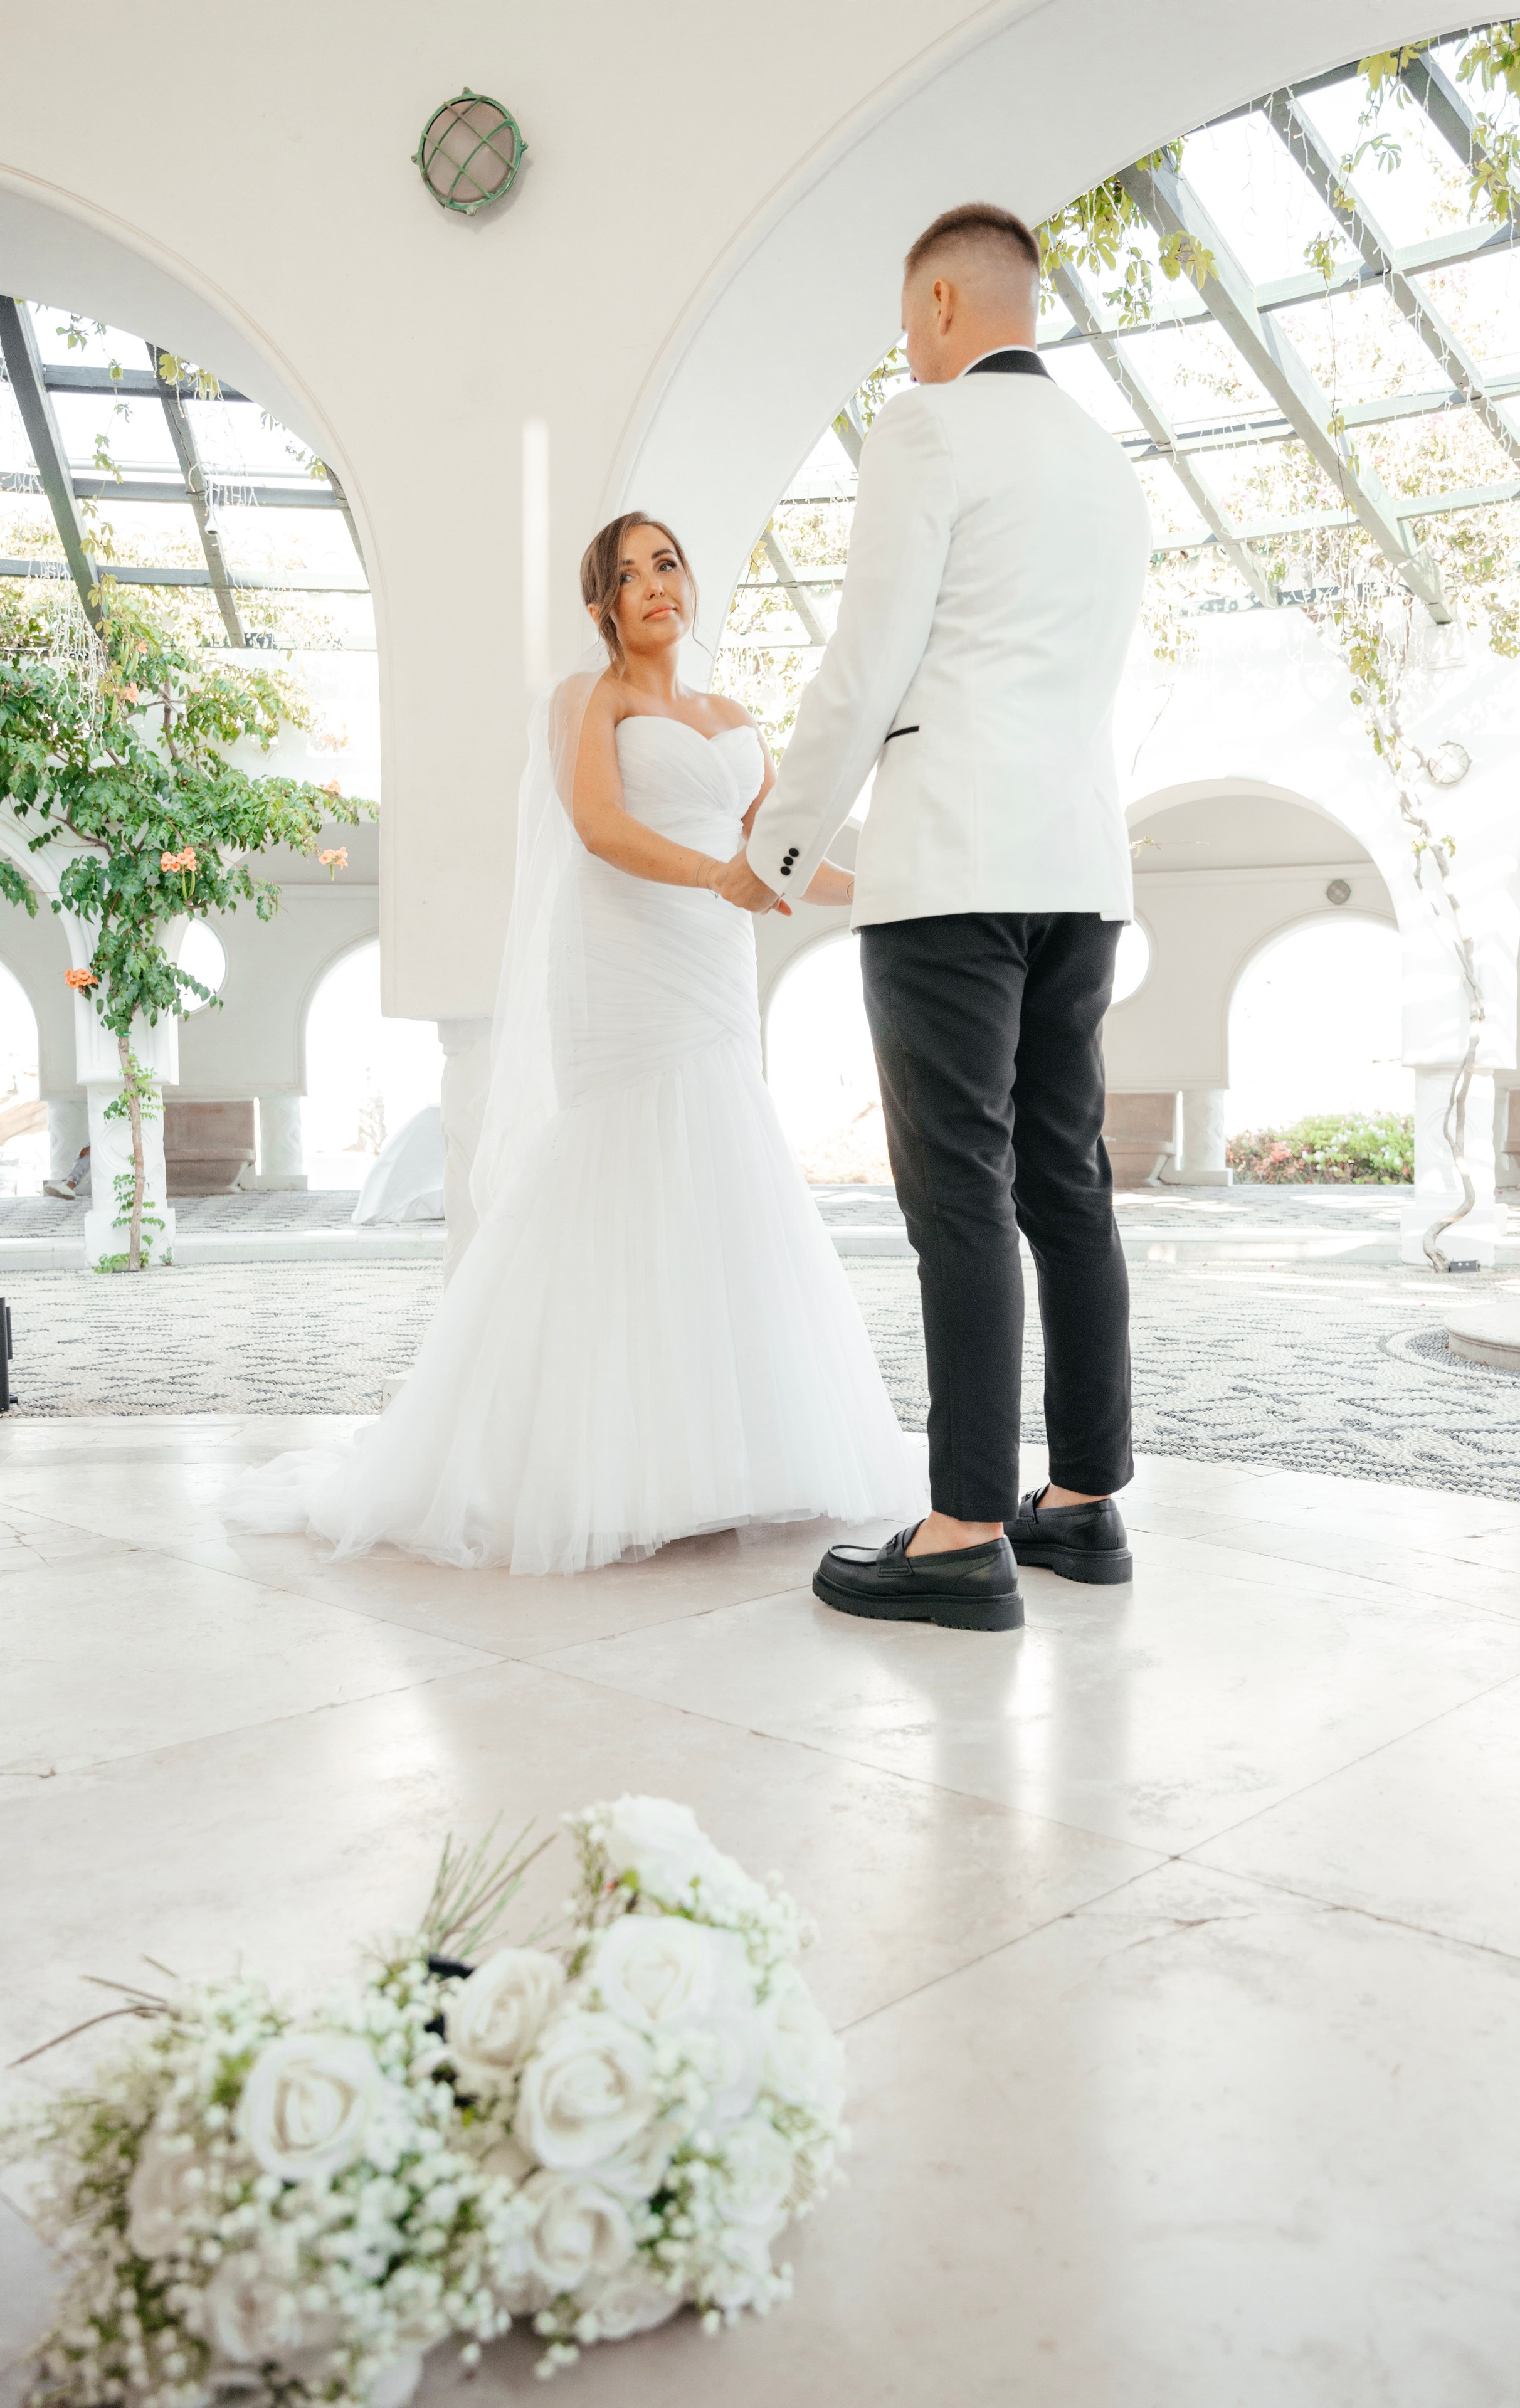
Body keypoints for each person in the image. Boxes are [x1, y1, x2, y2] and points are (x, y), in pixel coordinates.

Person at [226, 514, 924, 1574]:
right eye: (630, 574)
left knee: (721, 1165)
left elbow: (780, 850)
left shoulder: (734, 716)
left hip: (715, 964)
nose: (656, 585)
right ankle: (605, 1465)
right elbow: (598, 825)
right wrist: (717, 877)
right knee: (621, 1168)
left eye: (668, 564)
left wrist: (888, 890)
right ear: (602, 605)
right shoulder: (587, 699)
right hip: (629, 959)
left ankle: (727, 1461)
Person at [717, 201, 1151, 1634]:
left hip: (952, 868)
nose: (906, 351)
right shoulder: (1107, 461)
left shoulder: (926, 429)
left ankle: (962, 1530)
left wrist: (779, 849)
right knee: (1065, 1182)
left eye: (910, 324)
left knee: (958, 1190)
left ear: (948, 309)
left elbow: (866, 661)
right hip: (1078, 869)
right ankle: (1080, 1504)